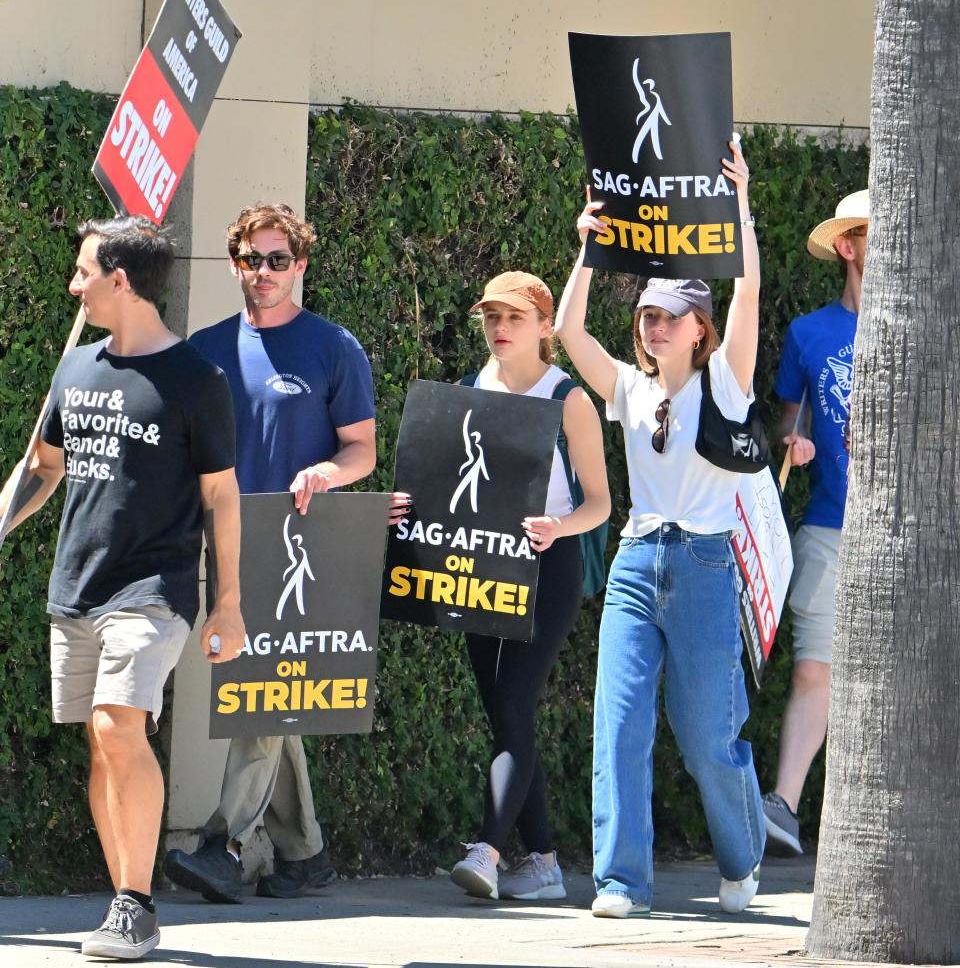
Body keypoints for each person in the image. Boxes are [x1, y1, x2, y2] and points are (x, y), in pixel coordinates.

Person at [0, 216, 244, 960]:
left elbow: (221, 496)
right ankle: (122, 905)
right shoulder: (74, 370)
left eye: (83, 271)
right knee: (101, 749)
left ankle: (136, 905)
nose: (74, 284)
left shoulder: (197, 382)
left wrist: (228, 601)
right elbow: (43, 467)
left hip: (154, 586)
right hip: (77, 584)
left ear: (121, 281)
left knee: (117, 726)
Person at [556, 139, 766, 918]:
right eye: (646, 315)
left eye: (667, 317)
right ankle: (621, 882)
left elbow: (747, 293)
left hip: (707, 567)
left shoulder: (726, 383)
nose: (652, 328)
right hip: (637, 564)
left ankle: (741, 862)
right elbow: (569, 335)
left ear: (698, 327)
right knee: (617, 726)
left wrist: (740, 207)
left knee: (710, 736)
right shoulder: (629, 390)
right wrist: (586, 248)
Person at [163, 203, 376, 901]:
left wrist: (327, 473)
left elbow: (362, 450)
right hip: (224, 545)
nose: (264, 272)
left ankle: (228, 843)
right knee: (274, 692)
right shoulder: (203, 349)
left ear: (300, 265)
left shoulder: (333, 346)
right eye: (252, 259)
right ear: (234, 265)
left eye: (278, 259)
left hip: (299, 548)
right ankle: (305, 852)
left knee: (264, 689)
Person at [404, 271, 609, 901]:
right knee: (505, 714)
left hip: (547, 568)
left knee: (515, 705)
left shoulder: (569, 398)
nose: (500, 328)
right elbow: (445, 489)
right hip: (477, 567)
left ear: (545, 328)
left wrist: (558, 527)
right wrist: (405, 511)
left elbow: (601, 503)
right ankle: (543, 860)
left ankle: (489, 850)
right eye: (492, 316)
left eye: (515, 318)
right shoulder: (470, 390)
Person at [762, 190, 868, 857]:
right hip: (830, 523)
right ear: (847, 247)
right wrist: (793, 441)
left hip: (917, 536)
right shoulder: (809, 334)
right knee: (814, 670)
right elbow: (789, 417)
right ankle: (783, 807)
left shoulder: (935, 324)